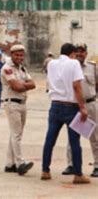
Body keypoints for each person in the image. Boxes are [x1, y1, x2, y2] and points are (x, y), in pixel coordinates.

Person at [41, 43, 90, 184]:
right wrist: (82, 107)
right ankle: (78, 174)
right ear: (72, 53)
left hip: (55, 105)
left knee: (50, 139)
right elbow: (77, 86)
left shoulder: (51, 64)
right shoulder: (74, 63)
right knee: (74, 141)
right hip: (71, 106)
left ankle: (45, 170)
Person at [61, 43, 98, 178]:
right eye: (77, 51)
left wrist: (91, 99)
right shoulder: (69, 67)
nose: (80, 54)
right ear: (73, 53)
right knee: (72, 136)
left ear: (86, 53)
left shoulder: (92, 67)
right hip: (74, 105)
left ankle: (97, 165)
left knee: (95, 136)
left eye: (82, 51)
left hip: (90, 104)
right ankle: (71, 164)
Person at [1, 44, 36, 176]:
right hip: (12, 103)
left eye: (21, 55)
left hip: (22, 102)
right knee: (16, 135)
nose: (19, 57)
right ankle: (20, 163)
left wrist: (24, 85)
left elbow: (33, 84)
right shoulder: (7, 68)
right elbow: (16, 87)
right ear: (11, 54)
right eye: (17, 54)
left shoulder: (22, 68)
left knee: (15, 134)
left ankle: (10, 164)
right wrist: (24, 85)